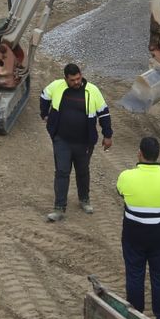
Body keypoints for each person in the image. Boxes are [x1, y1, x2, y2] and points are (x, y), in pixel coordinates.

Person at [118, 136, 160, 319]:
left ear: (140, 153)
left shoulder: (126, 176)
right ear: (158, 155)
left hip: (133, 233)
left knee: (134, 274)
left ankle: (135, 318)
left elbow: (121, 193)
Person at [39, 62, 112, 222]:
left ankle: (84, 200)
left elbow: (104, 113)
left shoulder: (92, 91)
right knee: (62, 172)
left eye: (78, 78)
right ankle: (59, 208)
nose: (76, 82)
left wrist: (108, 135)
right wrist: (44, 114)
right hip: (62, 140)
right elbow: (44, 95)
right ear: (66, 79)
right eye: (72, 80)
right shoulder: (57, 86)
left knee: (83, 171)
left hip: (84, 142)